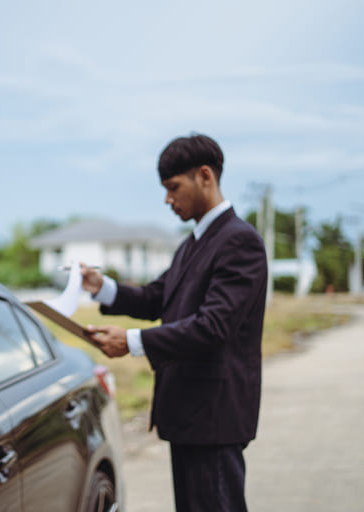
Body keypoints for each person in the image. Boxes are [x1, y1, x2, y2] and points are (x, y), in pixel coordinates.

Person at [82, 133, 267, 512]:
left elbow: (214, 325)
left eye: (173, 187)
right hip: (189, 413)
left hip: (214, 416)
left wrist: (132, 342)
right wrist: (102, 288)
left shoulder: (239, 240)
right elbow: (157, 297)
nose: (168, 199)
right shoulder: (194, 242)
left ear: (205, 176)